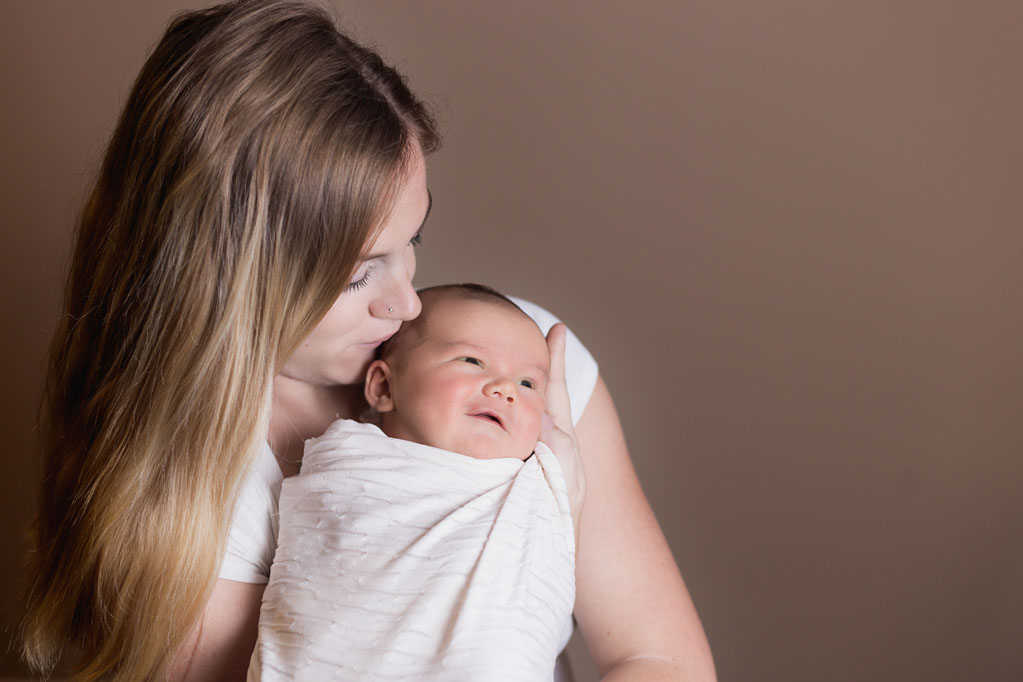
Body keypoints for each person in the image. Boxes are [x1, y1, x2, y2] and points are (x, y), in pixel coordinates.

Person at [22, 1, 716, 681]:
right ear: (228, 284)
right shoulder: (194, 501)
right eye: (358, 275)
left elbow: (659, 658)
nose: (407, 301)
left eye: (411, 239)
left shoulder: (518, 367)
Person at [251, 284, 583, 680]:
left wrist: (562, 491)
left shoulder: (537, 482)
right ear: (384, 387)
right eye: (473, 360)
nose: (506, 389)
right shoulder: (350, 464)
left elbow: (551, 562)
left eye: (528, 384)